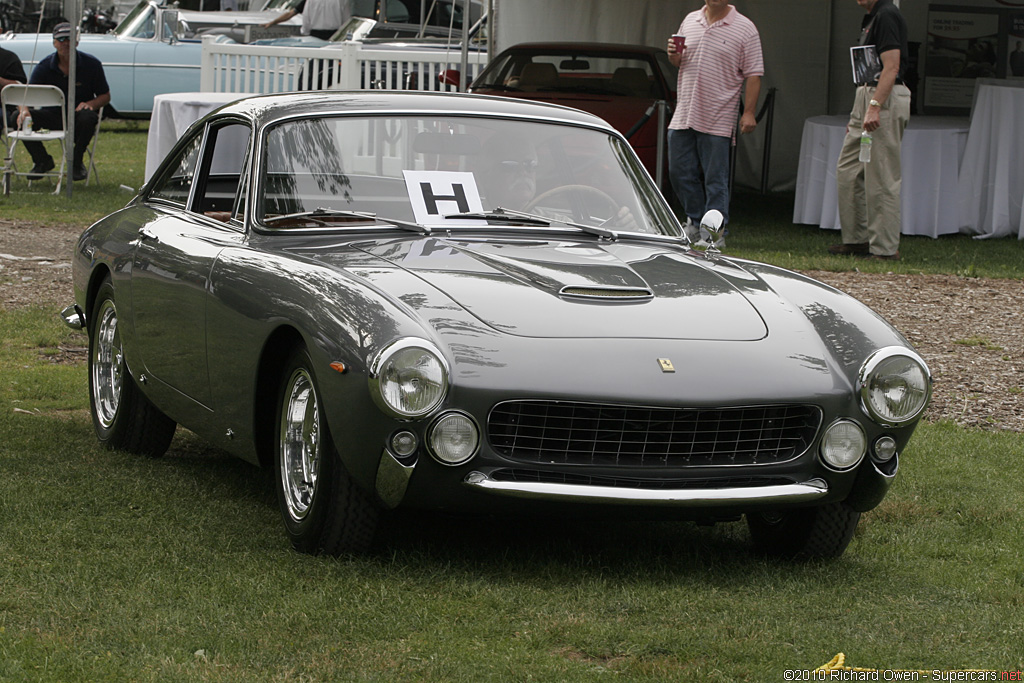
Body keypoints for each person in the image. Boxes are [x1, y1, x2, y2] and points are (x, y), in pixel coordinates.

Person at [666, 0, 763, 248]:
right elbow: (679, 62)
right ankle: (696, 221)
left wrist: (749, 112)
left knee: (715, 179)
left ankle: (713, 234)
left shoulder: (745, 28)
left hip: (718, 114)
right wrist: (673, 56)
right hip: (684, 111)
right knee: (679, 172)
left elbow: (753, 74)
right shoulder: (690, 20)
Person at [830, 0, 910, 261]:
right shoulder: (873, 16)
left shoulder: (886, 15)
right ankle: (857, 239)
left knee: (881, 175)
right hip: (865, 93)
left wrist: (875, 105)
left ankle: (885, 249)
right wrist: (860, 111)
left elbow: (892, 66)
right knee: (848, 170)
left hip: (882, 96)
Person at [9, 22, 110, 182]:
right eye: (61, 39)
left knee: (88, 117)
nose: (65, 43)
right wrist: (24, 110)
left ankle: (76, 163)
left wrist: (91, 104)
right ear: (54, 42)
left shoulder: (92, 64)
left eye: (69, 39)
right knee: (16, 116)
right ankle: (42, 161)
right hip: (52, 115)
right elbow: (27, 95)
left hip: (78, 117)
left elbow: (105, 95)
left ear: (76, 41)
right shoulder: (44, 66)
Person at [261, 0, 349, 40]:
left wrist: (305, 31)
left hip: (315, 35)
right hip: (335, 35)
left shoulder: (309, 1)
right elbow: (346, 19)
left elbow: (305, 18)